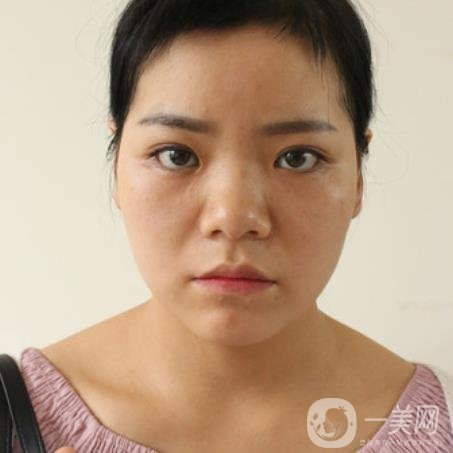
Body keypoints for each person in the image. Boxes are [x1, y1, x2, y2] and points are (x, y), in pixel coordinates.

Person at [9, 0, 453, 452]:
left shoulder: (440, 425)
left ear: (357, 176)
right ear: (117, 166)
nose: (234, 218)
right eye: (176, 155)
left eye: (298, 158)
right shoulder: (15, 419)